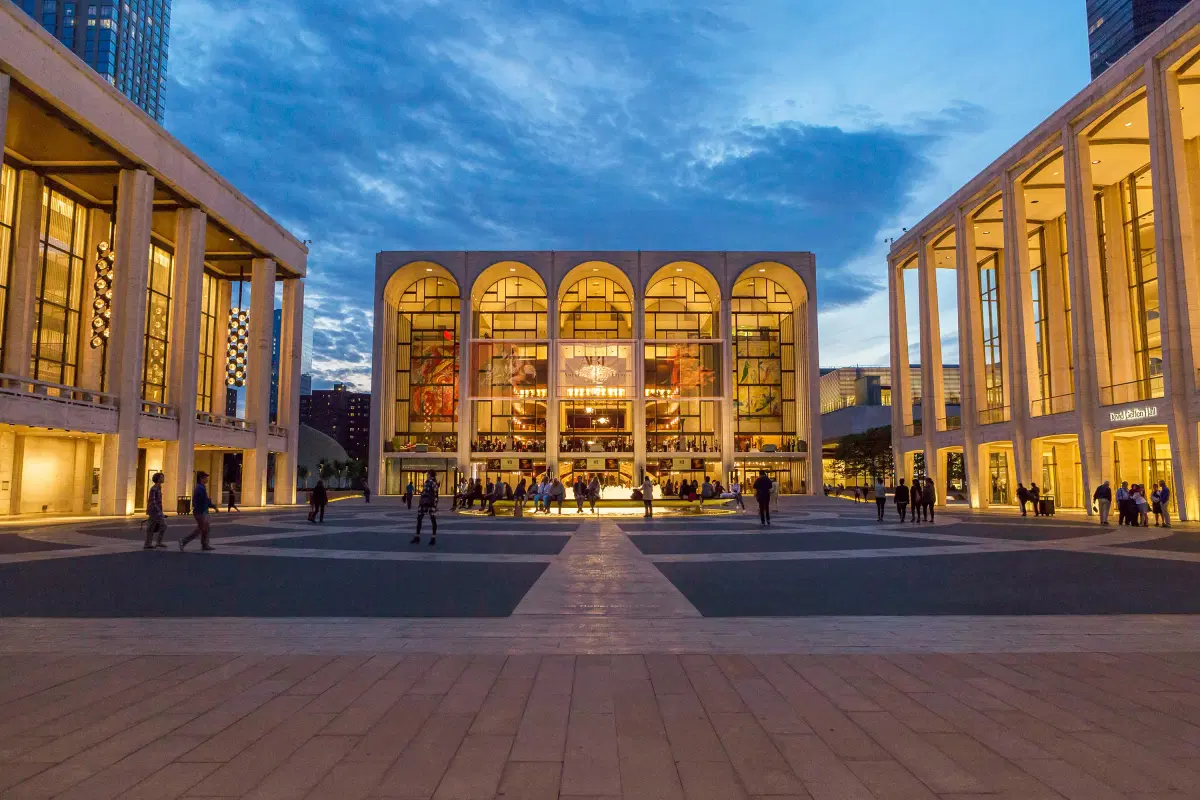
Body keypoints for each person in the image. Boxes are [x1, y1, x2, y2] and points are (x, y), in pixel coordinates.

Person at [180, 471, 218, 551]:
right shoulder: (200, 488)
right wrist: (212, 506)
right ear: (201, 478)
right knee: (201, 528)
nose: (207, 479)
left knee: (205, 528)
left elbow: (204, 500)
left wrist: (211, 506)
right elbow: (203, 500)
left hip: (202, 511)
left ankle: (205, 544)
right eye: (205, 477)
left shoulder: (201, 487)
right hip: (200, 512)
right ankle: (184, 541)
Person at [410, 469, 440, 546]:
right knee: (432, 519)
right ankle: (432, 537)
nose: (427, 475)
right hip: (430, 503)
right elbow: (435, 494)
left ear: (430, 474)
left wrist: (421, 501)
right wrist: (435, 505)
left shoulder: (430, 482)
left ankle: (418, 536)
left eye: (428, 474)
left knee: (420, 518)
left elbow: (428, 493)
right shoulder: (433, 483)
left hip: (426, 503)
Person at [144, 471, 168, 549]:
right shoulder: (154, 489)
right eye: (162, 477)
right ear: (158, 479)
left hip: (156, 511)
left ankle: (149, 543)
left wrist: (161, 512)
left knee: (151, 527)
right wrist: (159, 512)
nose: (163, 478)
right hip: (154, 511)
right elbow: (153, 501)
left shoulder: (159, 488)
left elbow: (158, 502)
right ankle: (156, 542)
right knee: (162, 525)